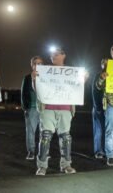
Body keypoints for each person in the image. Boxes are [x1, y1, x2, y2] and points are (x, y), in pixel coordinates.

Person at [35, 47, 77, 175]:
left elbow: (77, 88)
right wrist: (34, 78)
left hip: (65, 108)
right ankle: (42, 166)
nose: (53, 56)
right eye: (51, 54)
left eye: (56, 54)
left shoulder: (71, 72)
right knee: (45, 136)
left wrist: (82, 79)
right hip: (48, 107)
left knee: (66, 137)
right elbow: (36, 89)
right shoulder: (45, 71)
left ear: (63, 55)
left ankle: (66, 165)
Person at [21, 56, 43, 160]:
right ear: (32, 65)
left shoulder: (46, 77)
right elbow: (23, 93)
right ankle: (31, 151)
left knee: (45, 132)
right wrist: (25, 107)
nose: (38, 65)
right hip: (32, 108)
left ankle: (43, 152)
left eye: (40, 63)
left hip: (44, 108)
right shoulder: (27, 78)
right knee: (30, 131)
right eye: (36, 63)